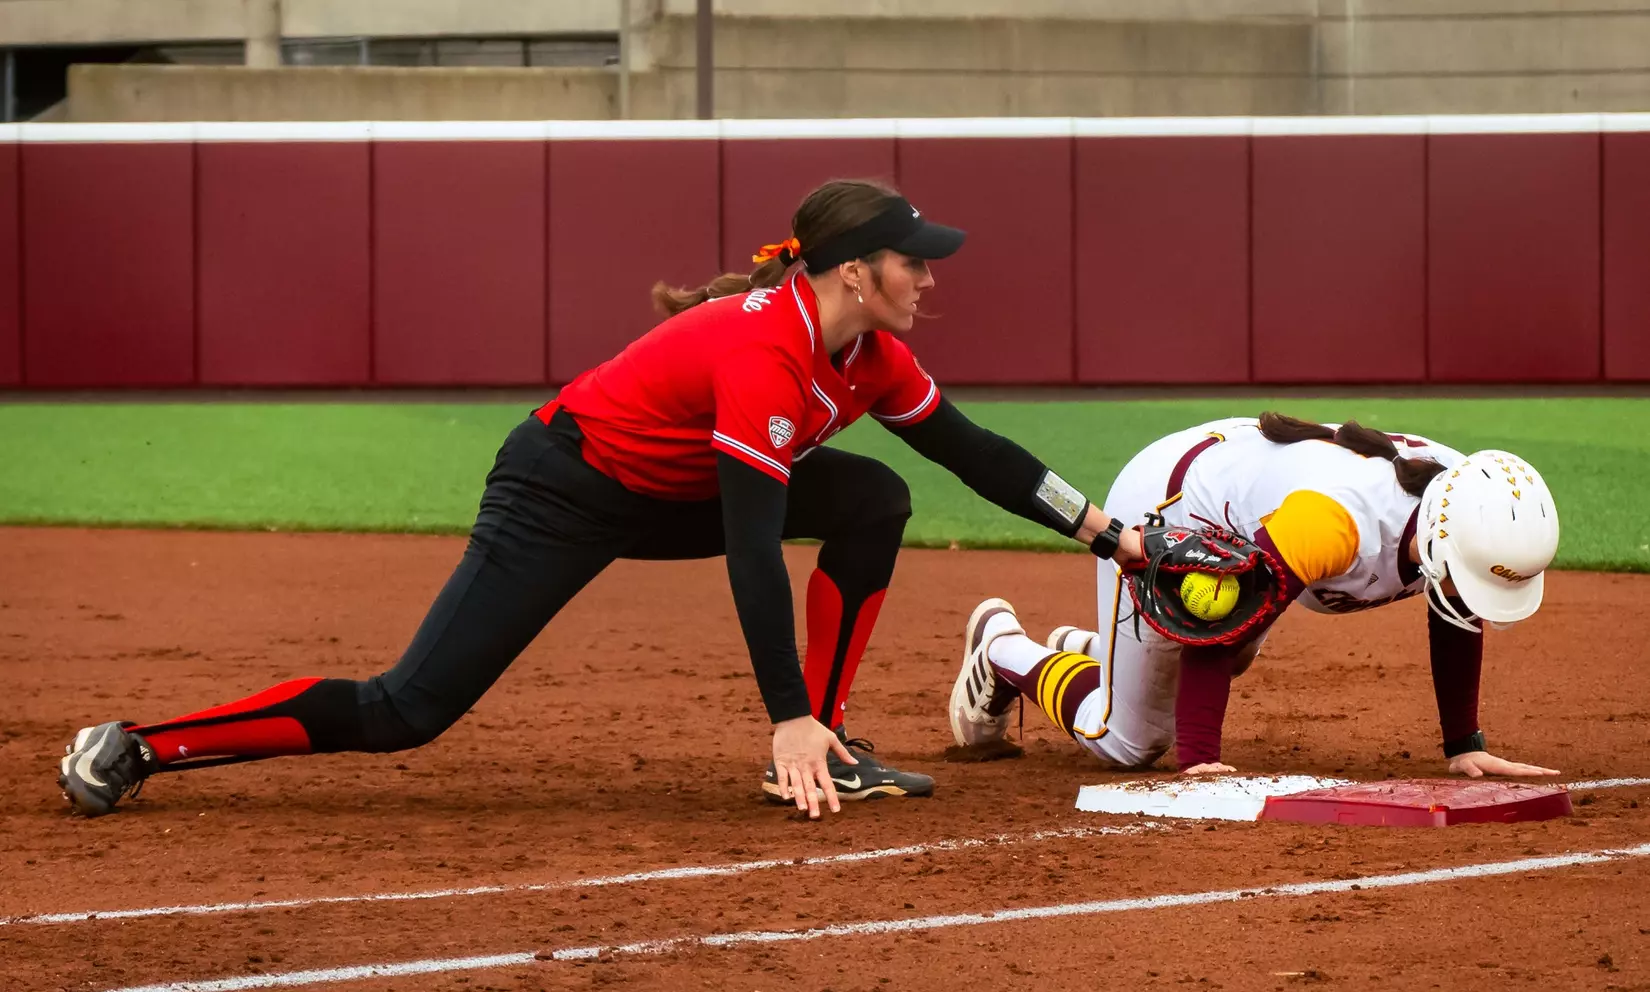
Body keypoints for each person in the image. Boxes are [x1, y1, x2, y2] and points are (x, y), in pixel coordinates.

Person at [59, 178, 1148, 821]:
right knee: (410, 708)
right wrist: (779, 714)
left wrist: (1108, 531)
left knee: (875, 493)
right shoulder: (766, 351)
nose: (932, 277)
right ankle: (144, 742)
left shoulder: (865, 354)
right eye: (916, 261)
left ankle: (834, 746)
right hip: (563, 489)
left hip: (671, 487)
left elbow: (979, 454)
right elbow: (750, 543)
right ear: (856, 271)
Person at [948, 413, 1562, 777]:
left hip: (1253, 501)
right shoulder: (1335, 526)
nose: (1475, 595)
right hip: (1175, 504)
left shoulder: (1462, 501)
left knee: (1230, 653)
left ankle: (1109, 649)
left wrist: (1464, 747)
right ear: (1436, 542)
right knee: (1128, 742)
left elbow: (1457, 610)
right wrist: (1198, 762)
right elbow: (1222, 625)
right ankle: (1004, 651)